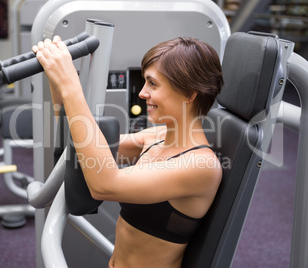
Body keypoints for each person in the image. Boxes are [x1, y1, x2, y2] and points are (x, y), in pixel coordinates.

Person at [33, 36, 224, 268]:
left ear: (190, 94)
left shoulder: (201, 166)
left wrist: (71, 86)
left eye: (152, 84)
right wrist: (58, 80)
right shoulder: (155, 137)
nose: (142, 93)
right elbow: (77, 146)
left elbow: (104, 184)